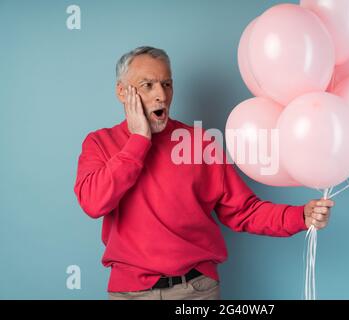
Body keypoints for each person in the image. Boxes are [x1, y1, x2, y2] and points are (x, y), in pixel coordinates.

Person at [73, 46, 334, 300]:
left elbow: (243, 210)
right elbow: (93, 203)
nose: (161, 96)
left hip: (195, 290)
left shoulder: (200, 143)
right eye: (147, 85)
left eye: (166, 84)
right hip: (129, 292)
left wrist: (300, 216)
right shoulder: (99, 143)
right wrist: (139, 140)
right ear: (122, 92)